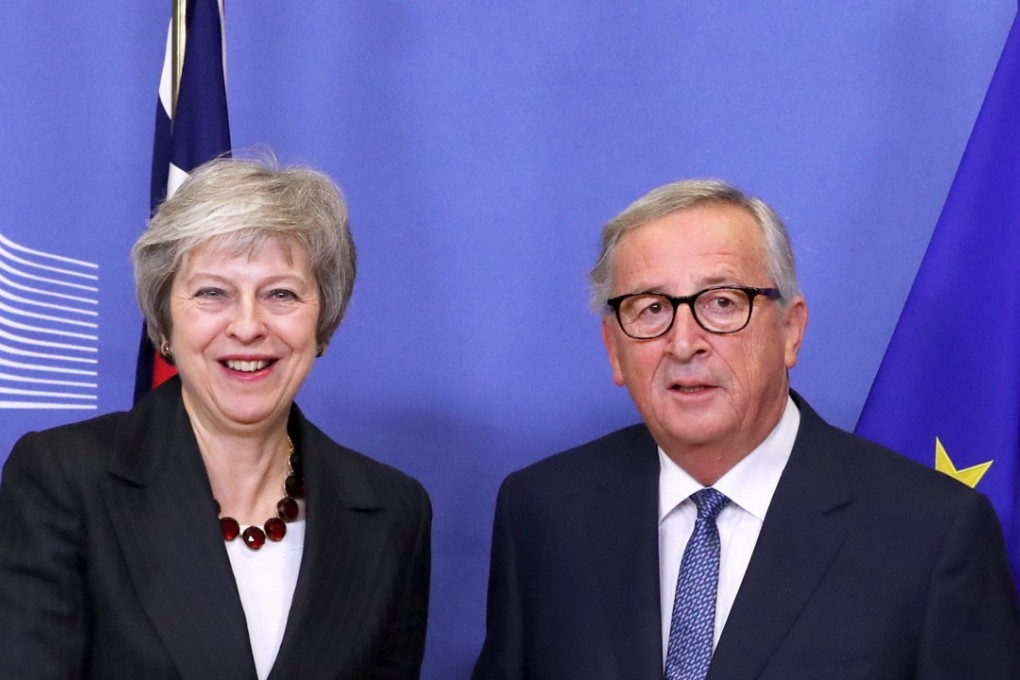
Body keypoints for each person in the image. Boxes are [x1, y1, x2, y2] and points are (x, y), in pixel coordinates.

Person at [472, 179, 1020, 679]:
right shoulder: (542, 512)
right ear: (614, 349)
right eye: (650, 309)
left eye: (722, 303)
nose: (684, 343)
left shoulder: (932, 532)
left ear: (790, 331)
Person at [0, 156, 431, 680]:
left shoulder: (392, 512)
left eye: (281, 294)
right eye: (212, 293)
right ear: (164, 323)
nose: (248, 326)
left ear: (323, 321)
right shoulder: (64, 478)